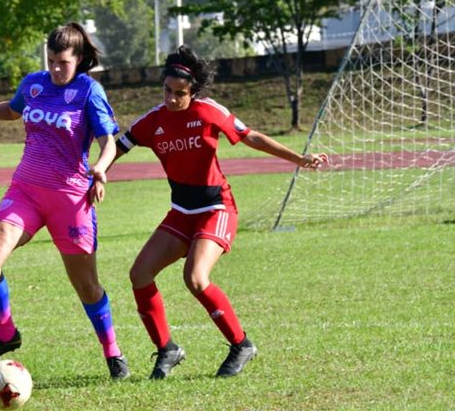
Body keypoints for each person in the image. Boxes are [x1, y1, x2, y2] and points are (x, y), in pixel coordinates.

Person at [106, 45, 327, 379]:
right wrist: (94, 172)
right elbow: (119, 146)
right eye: (167, 90)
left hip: (216, 208)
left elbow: (251, 136)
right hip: (181, 211)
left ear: (193, 92)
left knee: (195, 278)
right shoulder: (153, 120)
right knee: (140, 274)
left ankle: (241, 344)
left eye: (180, 93)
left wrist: (299, 159)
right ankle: (167, 349)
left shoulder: (207, 111)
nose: (171, 98)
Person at [0, 22, 129, 379]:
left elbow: (109, 140)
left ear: (78, 59)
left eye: (62, 62)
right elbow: (13, 109)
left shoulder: (88, 91)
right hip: (26, 191)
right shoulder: (34, 84)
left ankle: (113, 353)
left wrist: (101, 168)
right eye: (50, 61)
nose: (55, 69)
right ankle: (6, 335)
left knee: (86, 286)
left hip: (70, 199)